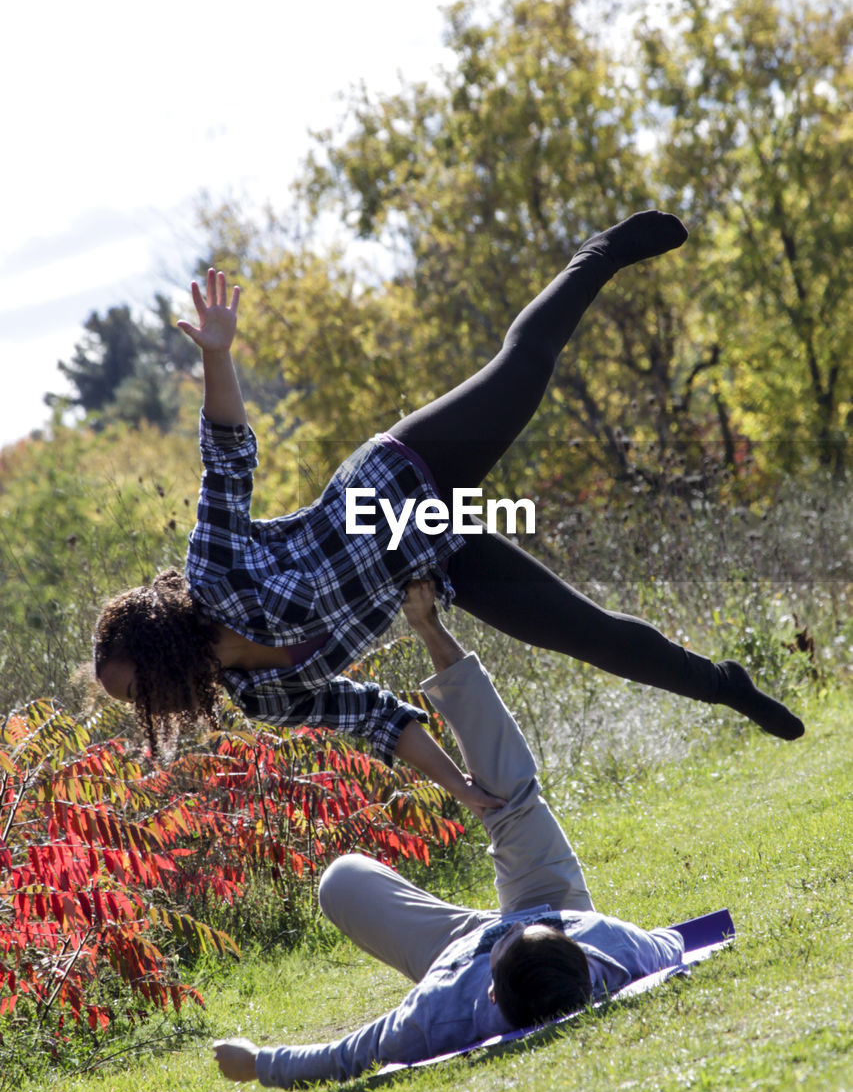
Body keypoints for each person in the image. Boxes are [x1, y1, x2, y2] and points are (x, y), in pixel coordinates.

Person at [94, 211, 803, 811]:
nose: (151, 704)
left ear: (158, 647)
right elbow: (373, 717)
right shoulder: (265, 695)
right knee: (588, 636)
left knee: (523, 369)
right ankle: (723, 686)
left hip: (400, 475)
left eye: (142, 686)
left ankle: (600, 254)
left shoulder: (213, 573)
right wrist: (460, 787)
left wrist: (218, 356)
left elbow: (227, 456)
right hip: (438, 554)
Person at [212, 579, 687, 1087]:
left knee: (340, 880)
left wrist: (257, 1063)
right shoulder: (605, 943)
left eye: (502, 940)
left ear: (491, 994)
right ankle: (428, 625)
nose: (503, 927)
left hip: (454, 949)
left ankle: (498, 937)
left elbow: (349, 1053)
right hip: (551, 900)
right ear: (579, 953)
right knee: (511, 796)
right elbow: (675, 945)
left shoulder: (444, 1007)